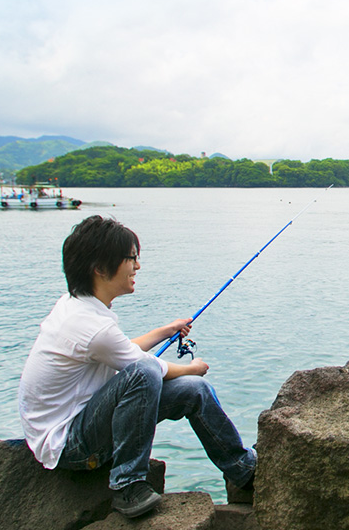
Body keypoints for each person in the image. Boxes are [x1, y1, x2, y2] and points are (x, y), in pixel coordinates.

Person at [18, 215, 256, 518]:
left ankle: (242, 469)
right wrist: (192, 367)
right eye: (131, 258)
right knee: (149, 375)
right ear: (101, 268)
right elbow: (143, 367)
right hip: (70, 444)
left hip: (85, 419)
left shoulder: (77, 306)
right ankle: (127, 486)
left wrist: (165, 331)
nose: (137, 267)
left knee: (195, 391)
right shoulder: (87, 324)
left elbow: (121, 351)